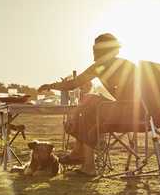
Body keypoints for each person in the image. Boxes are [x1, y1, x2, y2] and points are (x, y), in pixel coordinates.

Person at [38, 33, 136, 176]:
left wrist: (50, 85)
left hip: (127, 112)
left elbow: (73, 84)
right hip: (140, 111)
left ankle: (83, 159)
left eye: (95, 48)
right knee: (89, 108)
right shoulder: (126, 63)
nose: (93, 51)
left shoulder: (100, 66)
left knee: (90, 103)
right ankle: (82, 157)